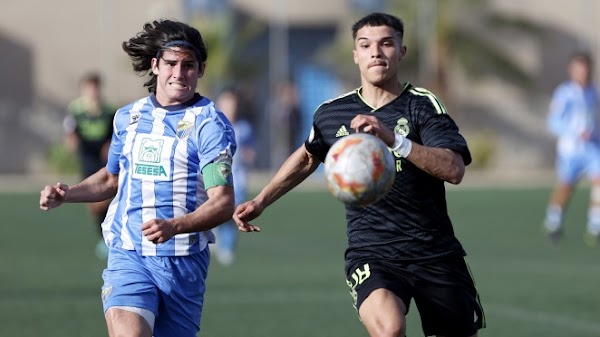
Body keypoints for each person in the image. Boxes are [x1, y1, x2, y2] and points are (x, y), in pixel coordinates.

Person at [233, 12, 485, 337]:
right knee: (389, 329)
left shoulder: (422, 106)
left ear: (401, 51)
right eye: (365, 45)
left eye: (386, 44)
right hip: (373, 253)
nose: (375, 52)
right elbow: (309, 155)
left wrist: (393, 139)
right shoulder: (331, 113)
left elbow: (453, 169)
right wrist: (262, 199)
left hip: (434, 251)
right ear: (355, 55)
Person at [39, 19, 236, 337]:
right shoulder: (128, 117)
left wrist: (175, 226)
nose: (179, 73)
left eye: (188, 65)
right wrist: (68, 193)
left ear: (201, 70)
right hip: (128, 253)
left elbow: (223, 203)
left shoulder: (210, 125)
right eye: (171, 63)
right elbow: (110, 179)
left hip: (183, 263)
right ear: (156, 65)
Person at [543, 51, 600, 246]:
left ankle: (595, 225)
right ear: (572, 70)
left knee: (599, 181)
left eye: (585, 69)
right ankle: (554, 219)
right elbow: (553, 122)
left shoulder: (594, 92)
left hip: (592, 149)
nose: (582, 73)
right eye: (579, 69)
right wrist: (575, 132)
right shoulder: (564, 93)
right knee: (566, 188)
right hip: (571, 151)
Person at [63, 72, 116, 259]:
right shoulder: (76, 109)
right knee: (93, 204)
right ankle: (104, 234)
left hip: (104, 157)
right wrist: (71, 141)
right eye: (89, 87)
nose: (93, 91)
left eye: (95, 87)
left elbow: (114, 133)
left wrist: (110, 145)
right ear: (83, 89)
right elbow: (70, 129)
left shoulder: (109, 110)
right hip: (87, 158)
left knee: (107, 194)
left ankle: (109, 235)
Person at [213, 86, 256, 266]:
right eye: (226, 104)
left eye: (233, 104)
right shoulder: (213, 127)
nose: (230, 108)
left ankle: (227, 248)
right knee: (218, 211)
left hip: (238, 181)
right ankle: (212, 232)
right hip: (215, 181)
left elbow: (251, 152)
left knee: (234, 215)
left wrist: (248, 155)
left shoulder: (243, 129)